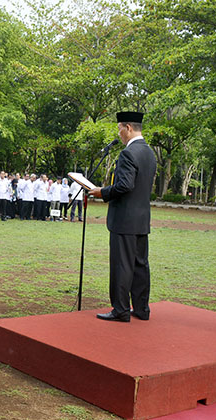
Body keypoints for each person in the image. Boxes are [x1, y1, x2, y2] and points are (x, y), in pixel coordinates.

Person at [89, 111, 157, 322]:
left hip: (124, 219)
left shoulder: (128, 154)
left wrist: (103, 192)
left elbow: (125, 185)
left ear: (128, 127)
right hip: (141, 219)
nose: (118, 133)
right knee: (140, 265)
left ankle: (120, 309)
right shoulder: (149, 152)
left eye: (119, 128)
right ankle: (141, 308)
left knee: (122, 265)